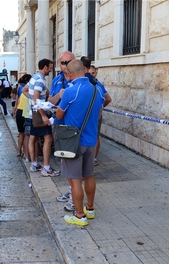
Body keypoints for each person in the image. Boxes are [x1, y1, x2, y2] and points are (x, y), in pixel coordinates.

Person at [56, 59, 103, 226]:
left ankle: (79, 215)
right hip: (91, 140)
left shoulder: (71, 91)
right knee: (89, 176)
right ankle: (90, 209)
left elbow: (59, 116)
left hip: (74, 142)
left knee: (75, 180)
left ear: (68, 74)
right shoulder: (97, 90)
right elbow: (98, 113)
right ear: (84, 70)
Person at [49, 51, 75, 204]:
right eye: (63, 63)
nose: (65, 66)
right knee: (64, 161)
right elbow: (50, 101)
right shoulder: (57, 80)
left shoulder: (79, 80)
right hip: (59, 126)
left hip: (73, 127)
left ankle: (75, 196)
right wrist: (59, 95)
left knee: (74, 162)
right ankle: (71, 189)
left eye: (68, 62)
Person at [28, 58, 60, 177]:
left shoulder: (34, 77)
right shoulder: (40, 80)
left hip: (33, 113)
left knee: (33, 138)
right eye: (50, 68)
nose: (51, 70)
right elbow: (36, 98)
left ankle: (34, 164)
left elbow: (29, 93)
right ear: (45, 67)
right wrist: (43, 115)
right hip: (39, 113)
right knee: (48, 139)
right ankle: (46, 167)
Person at [89, 65, 112, 166]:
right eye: (89, 73)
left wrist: (101, 107)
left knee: (96, 136)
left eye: (93, 73)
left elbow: (108, 99)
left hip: (95, 115)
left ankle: (93, 158)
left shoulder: (99, 85)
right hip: (89, 115)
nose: (91, 75)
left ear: (96, 73)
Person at [13, 74, 32, 158]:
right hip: (25, 112)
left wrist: (15, 109)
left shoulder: (21, 89)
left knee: (21, 133)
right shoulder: (30, 92)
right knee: (27, 135)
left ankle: (18, 151)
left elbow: (18, 99)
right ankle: (25, 153)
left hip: (19, 112)